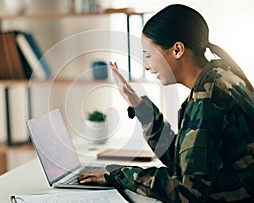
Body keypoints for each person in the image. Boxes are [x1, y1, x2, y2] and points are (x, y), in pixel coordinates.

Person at [78, 4, 254, 202]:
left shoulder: (210, 95)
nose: (146, 65)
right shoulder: (219, 77)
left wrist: (120, 175)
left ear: (177, 50)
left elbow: (186, 190)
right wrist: (139, 105)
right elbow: (181, 162)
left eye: (149, 55)